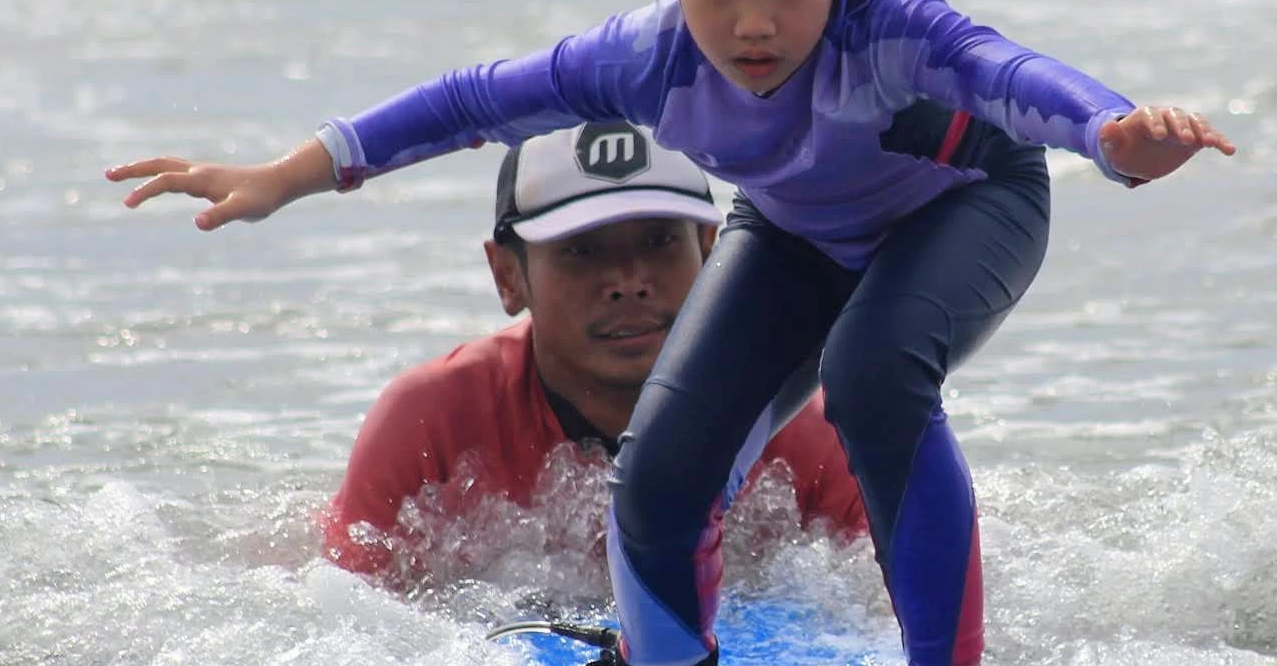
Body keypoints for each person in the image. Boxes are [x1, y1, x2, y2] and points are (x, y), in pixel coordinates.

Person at [109, 0, 1234, 666]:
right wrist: (283, 175)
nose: (754, 22)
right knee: (658, 466)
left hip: (965, 206)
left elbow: (1009, 75)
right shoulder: (640, 63)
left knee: (879, 374)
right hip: (795, 229)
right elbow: (465, 104)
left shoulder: (892, 26)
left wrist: (1113, 137)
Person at [323, 122, 868, 580]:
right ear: (507, 276)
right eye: (582, 250)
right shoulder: (429, 427)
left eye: (657, 241)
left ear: (711, 251)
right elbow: (348, 607)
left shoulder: (801, 423)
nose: (628, 282)